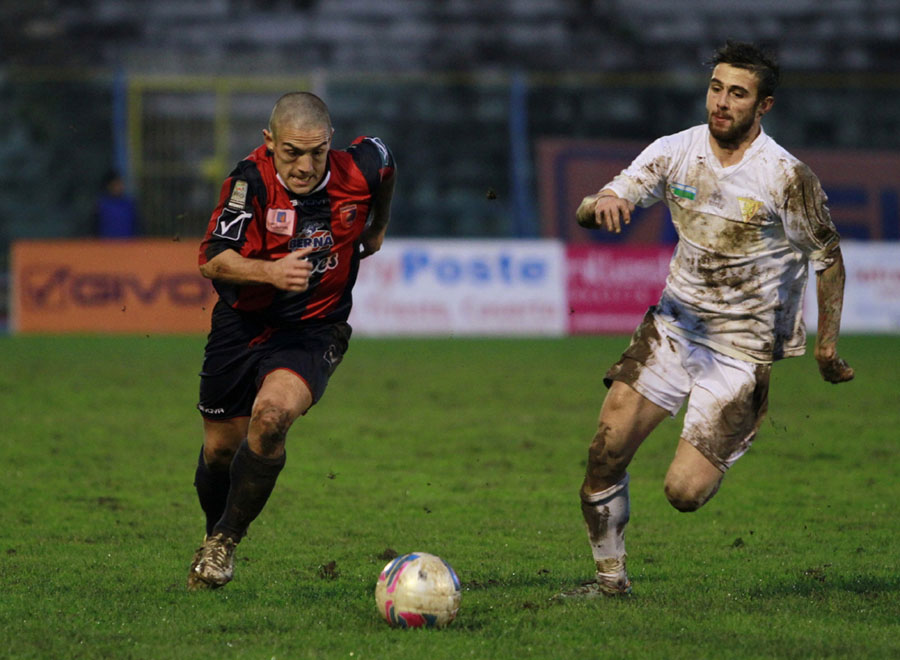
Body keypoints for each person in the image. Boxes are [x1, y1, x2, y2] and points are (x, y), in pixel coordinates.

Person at [566, 41, 854, 597]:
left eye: (738, 93)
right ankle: (609, 583)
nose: (722, 102)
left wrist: (825, 346)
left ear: (763, 105)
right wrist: (600, 202)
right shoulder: (677, 150)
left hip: (743, 349)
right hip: (674, 327)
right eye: (716, 88)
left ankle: (733, 426)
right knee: (604, 452)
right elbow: (600, 199)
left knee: (684, 493)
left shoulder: (786, 177)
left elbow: (829, 258)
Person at [187, 91, 396, 590]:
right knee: (220, 451)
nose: (305, 166)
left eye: (316, 152)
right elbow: (213, 259)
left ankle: (223, 544)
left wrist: (378, 225)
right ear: (269, 142)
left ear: (330, 143)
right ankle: (213, 531)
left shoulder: (361, 168)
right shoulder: (248, 181)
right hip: (242, 325)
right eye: (292, 153)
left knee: (272, 418)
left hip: (313, 328)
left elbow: (387, 163)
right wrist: (270, 272)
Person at [96, 170, 139, 238]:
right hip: (105, 246)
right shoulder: (102, 205)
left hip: (129, 246)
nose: (119, 187)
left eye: (120, 184)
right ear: (109, 186)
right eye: (115, 184)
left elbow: (137, 227)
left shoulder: (129, 204)